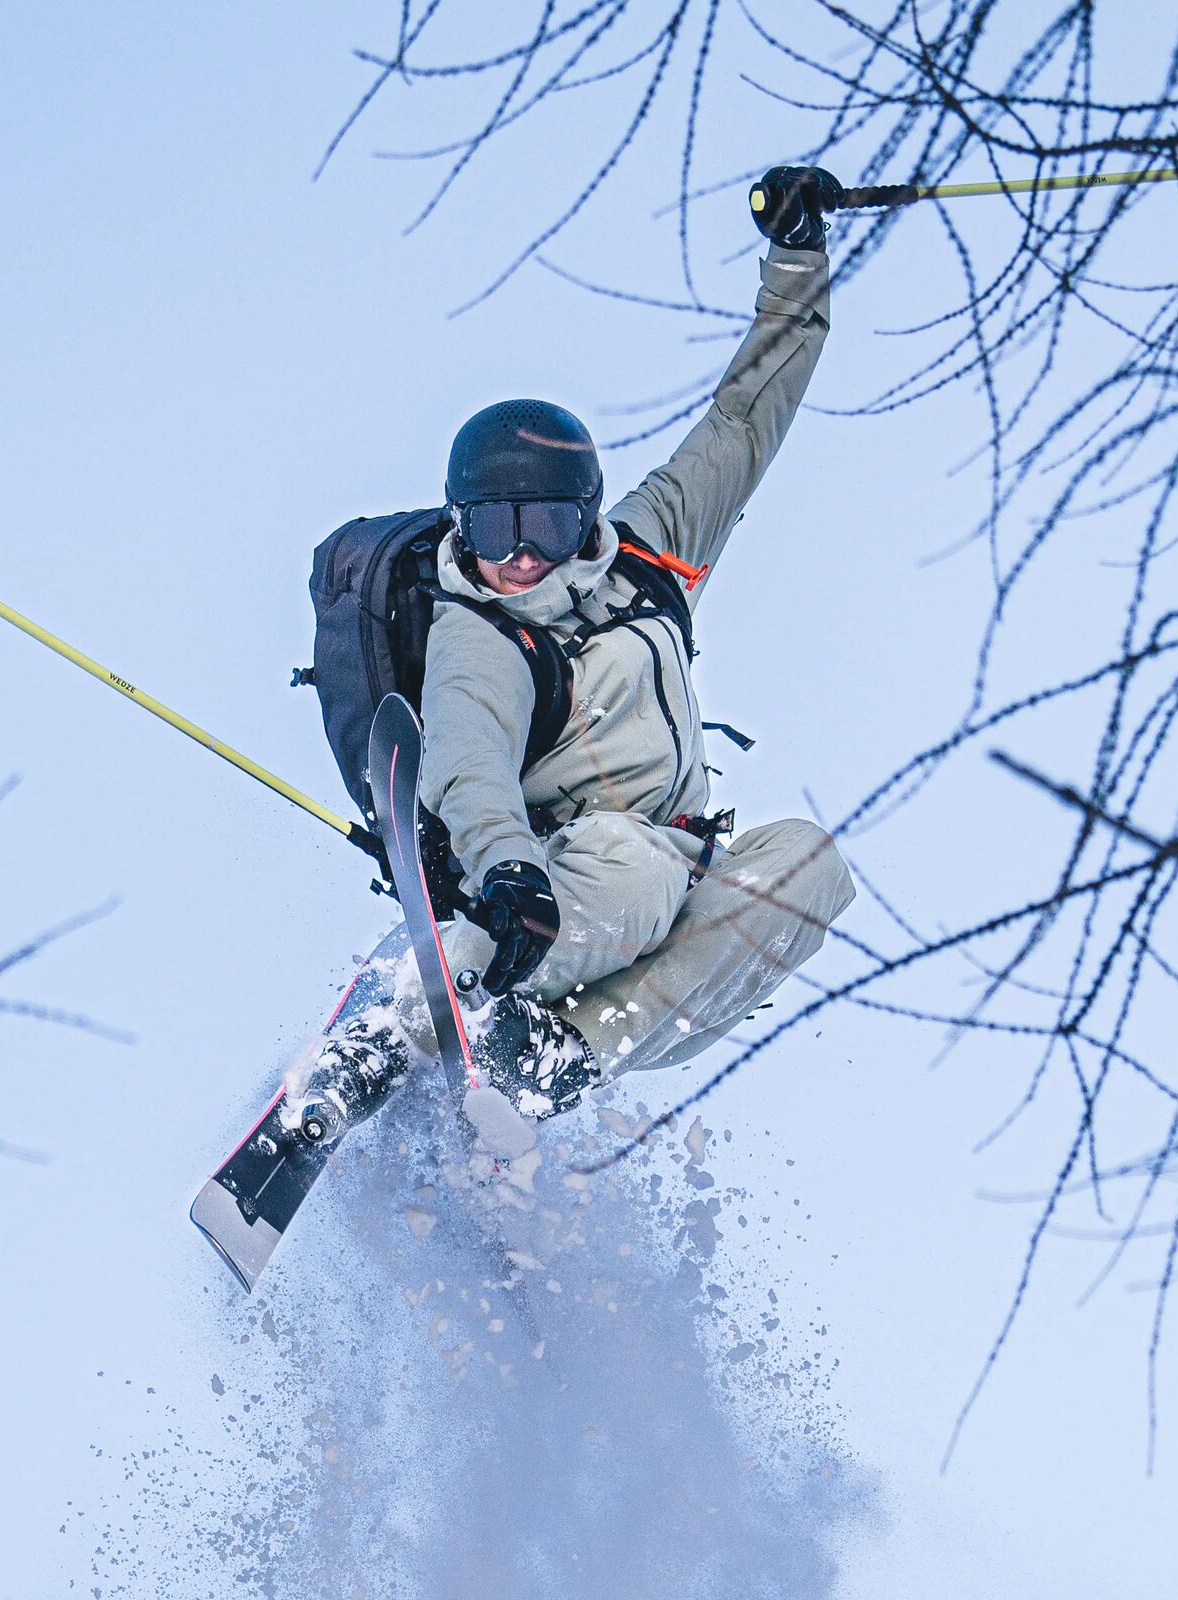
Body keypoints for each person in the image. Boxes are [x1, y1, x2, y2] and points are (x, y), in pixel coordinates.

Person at [291, 165, 856, 1141]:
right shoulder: (476, 631)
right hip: (544, 896)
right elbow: (465, 762)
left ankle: (548, 1065)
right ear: (461, 526)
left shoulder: (650, 556)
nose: (516, 554)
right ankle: (404, 1023)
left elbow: (745, 418)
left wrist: (797, 257)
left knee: (808, 865)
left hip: (657, 950)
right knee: (628, 861)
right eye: (494, 526)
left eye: (542, 523)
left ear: (583, 518)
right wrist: (502, 872)